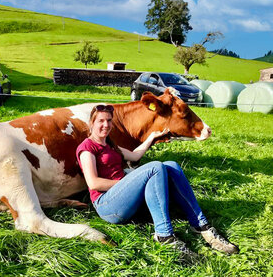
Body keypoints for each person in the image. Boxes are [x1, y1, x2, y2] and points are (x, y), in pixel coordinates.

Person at [76, 104, 239, 258]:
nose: (106, 124)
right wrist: (129, 183)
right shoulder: (87, 147)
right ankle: (164, 234)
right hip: (107, 205)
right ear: (92, 123)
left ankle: (200, 224)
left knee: (171, 165)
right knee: (155, 168)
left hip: (122, 198)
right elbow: (94, 183)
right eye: (101, 121)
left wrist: (152, 137)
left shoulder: (110, 145)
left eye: (109, 120)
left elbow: (135, 156)